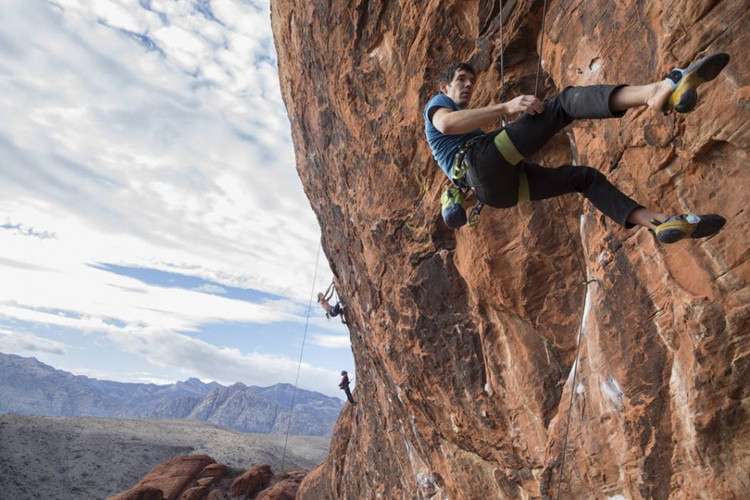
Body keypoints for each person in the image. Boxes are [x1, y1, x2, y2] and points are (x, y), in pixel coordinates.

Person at [424, 53, 730, 243]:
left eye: (471, 81)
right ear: (443, 88)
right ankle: (658, 91)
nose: (467, 85)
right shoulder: (438, 106)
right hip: (483, 165)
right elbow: (447, 125)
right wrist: (507, 106)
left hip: (496, 194)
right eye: (461, 80)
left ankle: (659, 223)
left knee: (583, 178)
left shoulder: (464, 130)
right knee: (564, 104)